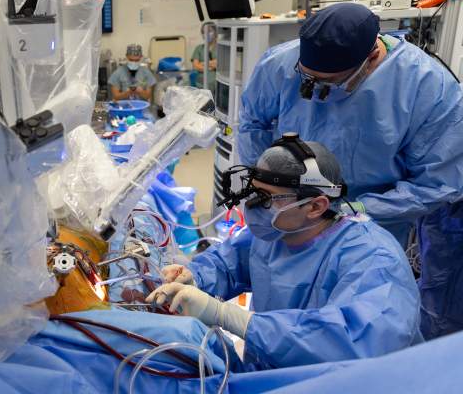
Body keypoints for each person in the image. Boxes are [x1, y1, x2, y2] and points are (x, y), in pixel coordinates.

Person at [235, 2, 463, 339]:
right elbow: (252, 123)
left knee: (350, 330)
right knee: (277, 320)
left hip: (370, 222)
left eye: (327, 84)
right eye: (307, 79)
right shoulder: (280, 64)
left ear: (370, 59)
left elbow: (437, 183)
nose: (313, 92)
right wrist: (268, 186)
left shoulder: (427, 88)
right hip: (293, 214)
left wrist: (353, 211)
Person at [147, 135, 422, 370]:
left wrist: (230, 317)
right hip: (269, 370)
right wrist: (193, 277)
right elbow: (228, 263)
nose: (252, 206)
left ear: (315, 206)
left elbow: (355, 340)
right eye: (253, 192)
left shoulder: (375, 259)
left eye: (266, 198)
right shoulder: (276, 232)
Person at [190, 23, 217, 90]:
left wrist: (202, 63)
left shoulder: (221, 48)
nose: (206, 34)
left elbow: (218, 65)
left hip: (216, 81)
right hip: (200, 81)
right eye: (203, 32)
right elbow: (195, 66)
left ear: (216, 32)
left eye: (209, 31)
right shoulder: (199, 48)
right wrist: (211, 67)